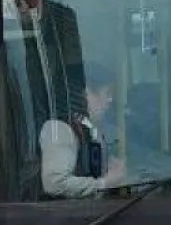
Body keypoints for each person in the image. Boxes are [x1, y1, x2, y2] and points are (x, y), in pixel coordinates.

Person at [38, 64, 126, 198]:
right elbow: (55, 183)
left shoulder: (90, 127)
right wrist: (105, 183)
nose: (110, 100)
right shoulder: (60, 129)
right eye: (107, 93)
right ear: (86, 94)